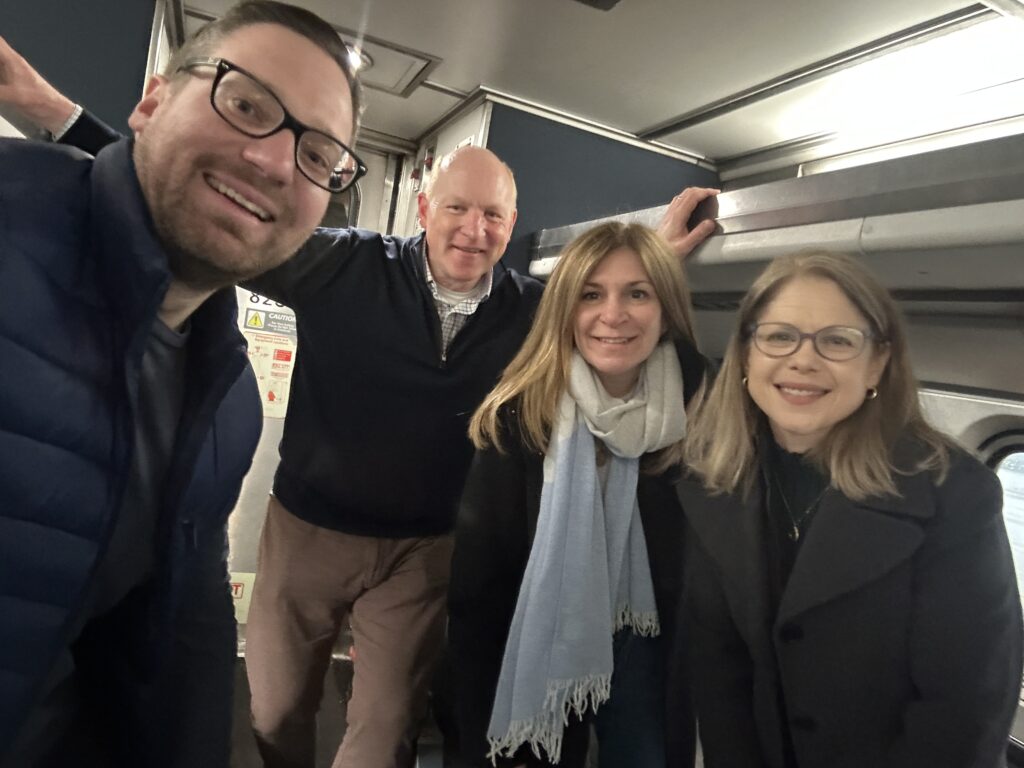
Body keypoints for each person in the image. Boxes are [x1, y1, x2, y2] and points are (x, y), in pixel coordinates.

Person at [0, 35, 720, 768]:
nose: (476, 231)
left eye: (495, 217)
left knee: (384, 729)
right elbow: (205, 205)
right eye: (459, 209)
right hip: (310, 527)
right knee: (278, 711)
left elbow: (605, 296)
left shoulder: (532, 308)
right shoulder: (342, 263)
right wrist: (48, 110)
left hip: (425, 549)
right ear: (424, 204)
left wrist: (655, 249)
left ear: (512, 221)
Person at [0, 2, 360, 767]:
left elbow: (170, 652)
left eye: (319, 155)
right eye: (246, 105)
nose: (271, 162)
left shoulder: (230, 404)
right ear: (153, 100)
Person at [678, 251, 1023, 768]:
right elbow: (720, 676)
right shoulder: (713, 478)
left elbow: (966, 704)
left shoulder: (952, 491)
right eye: (778, 336)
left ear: (878, 363)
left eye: (837, 341)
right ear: (747, 355)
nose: (802, 360)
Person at [449, 222, 709, 768]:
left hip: (651, 644)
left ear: (665, 309)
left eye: (637, 293)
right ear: (565, 309)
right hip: (543, 641)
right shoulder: (517, 416)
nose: (613, 314)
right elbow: (480, 590)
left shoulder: (705, 409)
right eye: (591, 294)